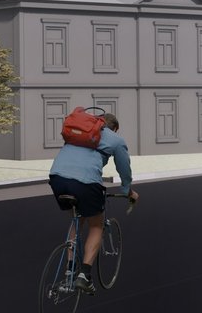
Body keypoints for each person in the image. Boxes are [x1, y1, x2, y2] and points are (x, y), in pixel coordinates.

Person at [47, 111, 138, 293]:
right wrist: (128, 191)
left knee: (77, 219)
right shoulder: (116, 140)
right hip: (86, 183)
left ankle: (70, 271)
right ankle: (85, 276)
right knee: (96, 225)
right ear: (115, 128)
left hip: (57, 177)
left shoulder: (80, 131)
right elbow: (124, 170)